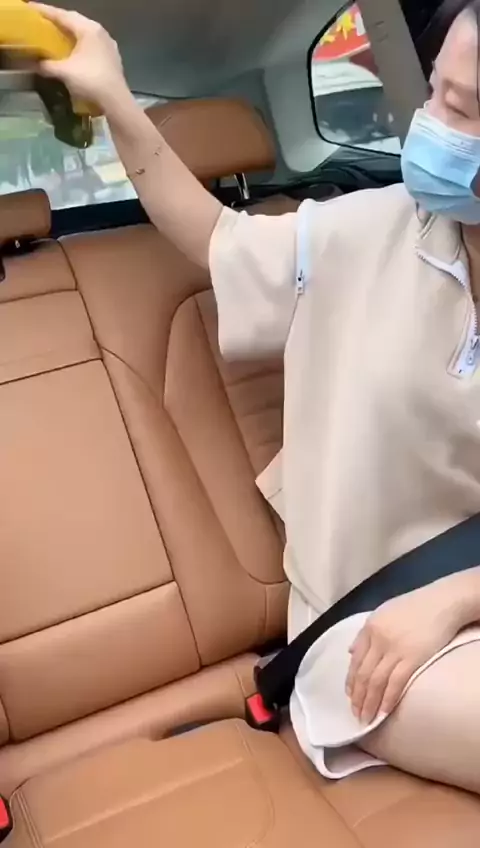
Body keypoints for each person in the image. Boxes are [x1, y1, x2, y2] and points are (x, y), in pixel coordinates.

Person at [30, 0, 480, 779]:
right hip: (368, 626)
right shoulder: (364, 231)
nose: (427, 125)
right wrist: (116, 101)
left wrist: (457, 598)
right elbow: (217, 237)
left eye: (462, 111)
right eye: (435, 90)